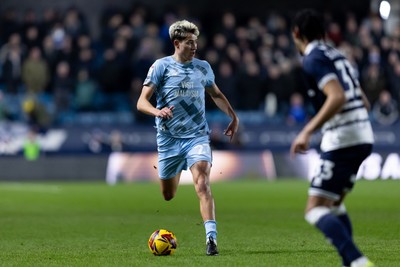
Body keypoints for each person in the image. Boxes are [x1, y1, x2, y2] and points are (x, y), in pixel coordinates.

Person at [136, 20, 239, 256]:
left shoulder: (203, 67)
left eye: (196, 42)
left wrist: (233, 117)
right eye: (190, 43)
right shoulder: (161, 67)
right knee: (168, 195)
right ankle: (178, 169)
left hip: (197, 137)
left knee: (202, 183)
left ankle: (211, 239)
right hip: (168, 140)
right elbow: (141, 102)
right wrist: (157, 111)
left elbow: (217, 94)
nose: (195, 47)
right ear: (177, 43)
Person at [290, 9, 375, 267]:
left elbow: (337, 96)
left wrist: (307, 131)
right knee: (334, 204)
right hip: (363, 135)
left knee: (315, 209)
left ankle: (358, 262)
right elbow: (365, 102)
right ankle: (349, 263)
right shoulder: (340, 56)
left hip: (343, 139)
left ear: (297, 34)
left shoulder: (312, 59)